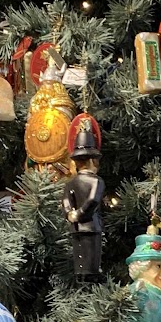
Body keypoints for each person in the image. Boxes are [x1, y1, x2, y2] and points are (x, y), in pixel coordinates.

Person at [61, 115, 104, 282]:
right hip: (92, 226)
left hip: (76, 226)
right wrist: (80, 213)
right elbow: (93, 201)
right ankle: (90, 275)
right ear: (93, 161)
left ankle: (81, 275)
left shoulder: (71, 183)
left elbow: (66, 201)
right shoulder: (96, 181)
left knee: (79, 253)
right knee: (91, 255)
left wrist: (71, 214)